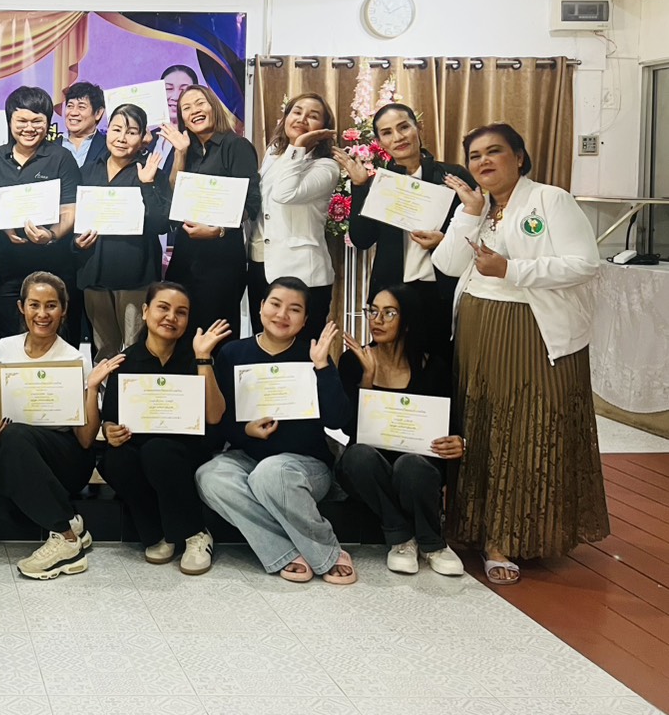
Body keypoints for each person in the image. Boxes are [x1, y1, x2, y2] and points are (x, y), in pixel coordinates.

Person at [433, 122, 607, 586]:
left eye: (494, 151)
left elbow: (584, 264)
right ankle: (474, 528)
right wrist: (467, 214)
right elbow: (447, 264)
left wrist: (512, 269)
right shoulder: (479, 207)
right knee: (480, 426)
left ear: (520, 158)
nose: (483, 162)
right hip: (477, 328)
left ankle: (509, 537)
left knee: (526, 428)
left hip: (532, 332)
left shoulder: (550, 199)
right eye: (475, 156)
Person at [196, 278, 354, 584]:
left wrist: (322, 367)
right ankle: (284, 550)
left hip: (306, 465)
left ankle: (327, 552)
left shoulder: (312, 354)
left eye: (294, 309)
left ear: (305, 319)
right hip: (248, 457)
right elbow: (221, 421)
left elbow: (338, 420)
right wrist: (246, 431)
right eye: (275, 304)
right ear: (260, 307)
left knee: (271, 473)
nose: (282, 315)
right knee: (209, 476)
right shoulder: (233, 353)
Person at [0, 272, 120, 580]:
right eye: (34, 305)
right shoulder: (3, 349)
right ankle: (70, 523)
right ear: (21, 308)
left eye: (51, 305)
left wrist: (92, 388)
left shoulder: (75, 359)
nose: (42, 314)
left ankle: (65, 540)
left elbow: (86, 440)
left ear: (64, 310)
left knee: (14, 439)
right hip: (21, 450)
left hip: (65, 457)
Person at [100, 282, 230, 574]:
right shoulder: (125, 362)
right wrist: (110, 431)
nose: (172, 317)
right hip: (140, 446)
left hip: (185, 450)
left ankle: (196, 533)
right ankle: (157, 533)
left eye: (181, 312)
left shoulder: (195, 356)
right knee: (116, 459)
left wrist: (203, 359)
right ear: (145, 311)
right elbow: (109, 418)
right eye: (163, 308)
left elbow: (215, 416)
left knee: (158, 451)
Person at [336, 286, 465, 577]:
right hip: (369, 469)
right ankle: (402, 538)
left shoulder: (433, 366)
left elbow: (449, 427)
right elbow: (348, 427)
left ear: (407, 321)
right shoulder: (352, 361)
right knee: (357, 456)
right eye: (373, 311)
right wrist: (368, 378)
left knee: (411, 465)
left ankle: (433, 544)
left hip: (417, 468)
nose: (377, 320)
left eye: (389, 313)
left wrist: (459, 442)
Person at [343, 102, 474, 361]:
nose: (398, 137)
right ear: (380, 142)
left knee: (440, 365)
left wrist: (444, 241)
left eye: (403, 127)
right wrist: (360, 186)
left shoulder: (452, 177)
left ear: (418, 127)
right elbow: (362, 239)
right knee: (392, 363)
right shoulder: (381, 182)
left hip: (440, 291)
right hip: (392, 292)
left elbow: (476, 233)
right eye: (387, 132)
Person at [0, 86, 82, 341]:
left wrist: (51, 235)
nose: (29, 128)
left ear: (48, 123)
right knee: (9, 338)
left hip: (54, 266)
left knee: (57, 338)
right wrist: (4, 223)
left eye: (37, 121)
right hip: (6, 269)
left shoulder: (61, 158)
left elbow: (70, 208)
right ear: (10, 121)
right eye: (21, 121)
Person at [73, 103, 171, 360]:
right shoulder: (87, 171)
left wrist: (147, 185)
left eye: (131, 132)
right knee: (103, 351)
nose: (122, 138)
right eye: (117, 129)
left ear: (142, 138)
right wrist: (77, 243)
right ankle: (105, 387)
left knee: (134, 348)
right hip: (94, 275)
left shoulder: (151, 172)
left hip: (135, 278)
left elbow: (161, 224)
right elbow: (74, 219)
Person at [164, 84, 259, 334]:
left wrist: (218, 230)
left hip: (222, 258)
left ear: (213, 106)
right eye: (186, 108)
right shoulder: (184, 148)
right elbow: (174, 193)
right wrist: (180, 153)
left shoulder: (236, 146)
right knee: (179, 331)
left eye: (199, 103)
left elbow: (251, 203)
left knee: (216, 333)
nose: (194, 110)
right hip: (185, 256)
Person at [247, 92, 340, 342]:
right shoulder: (273, 155)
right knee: (263, 344)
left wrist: (298, 145)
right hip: (260, 264)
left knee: (301, 351)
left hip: (302, 273)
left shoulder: (326, 167)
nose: (302, 119)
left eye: (313, 116)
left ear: (323, 128)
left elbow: (284, 194)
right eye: (296, 112)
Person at [61, 81, 108, 168]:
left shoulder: (109, 147)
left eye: (81, 107)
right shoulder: (51, 148)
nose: (73, 113)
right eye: (70, 106)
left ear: (98, 113)